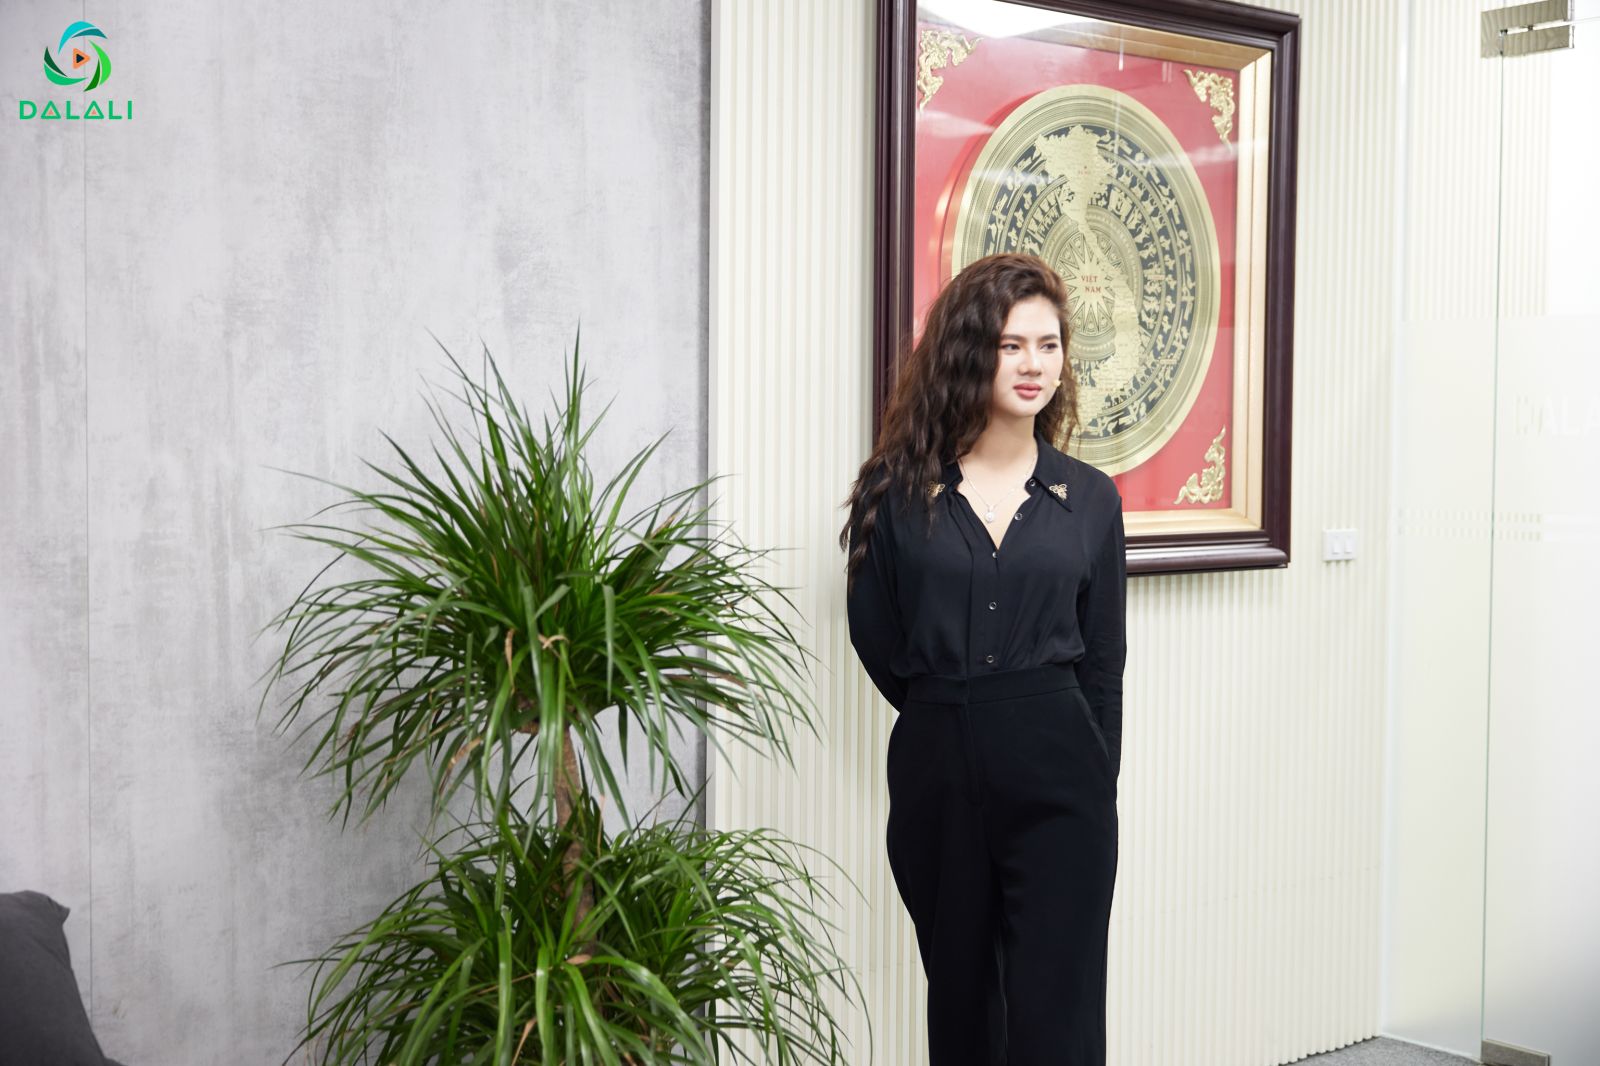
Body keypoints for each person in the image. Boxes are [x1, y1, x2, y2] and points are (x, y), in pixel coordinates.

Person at [839, 252, 1126, 1065]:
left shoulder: (1090, 499)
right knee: (964, 1004)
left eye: (1048, 345)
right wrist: (950, 705)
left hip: (1063, 780)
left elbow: (1103, 664)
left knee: (1059, 1013)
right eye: (1011, 345)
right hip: (938, 774)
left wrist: (1095, 780)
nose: (1034, 364)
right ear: (970, 352)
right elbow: (877, 635)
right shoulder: (895, 490)